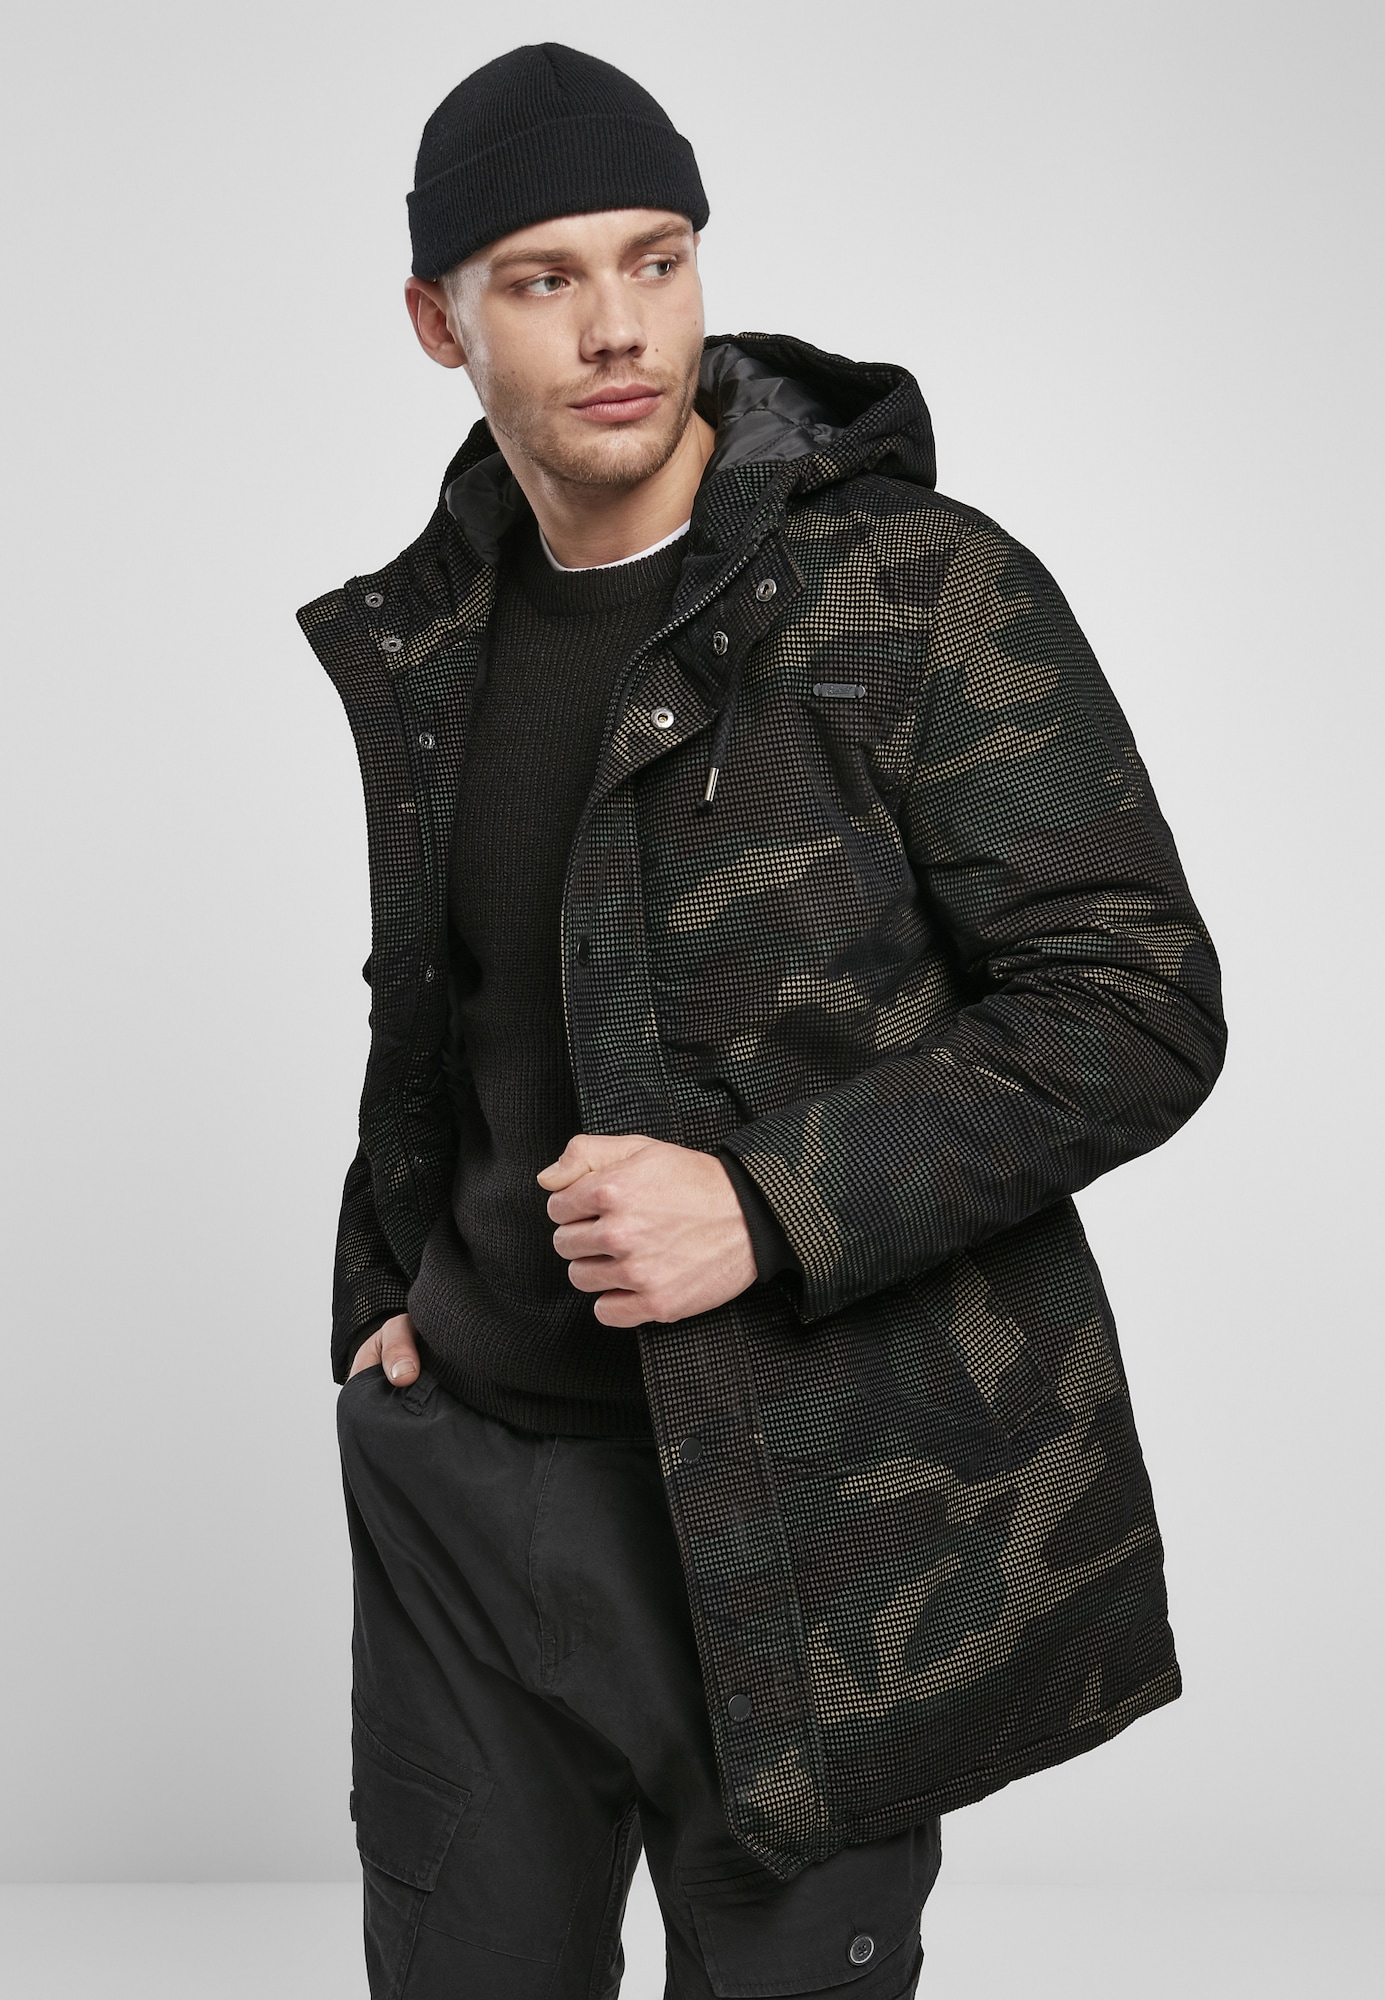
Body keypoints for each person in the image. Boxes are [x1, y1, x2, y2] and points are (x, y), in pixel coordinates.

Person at [296, 42, 1226, 2000]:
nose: (618, 327)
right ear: (438, 321)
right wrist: (391, 1295)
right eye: (543, 278)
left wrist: (766, 1201)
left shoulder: (914, 595)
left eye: (657, 257)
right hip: (471, 1501)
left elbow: (1135, 998)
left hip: (811, 1527)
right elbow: (449, 1012)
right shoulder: (433, 634)